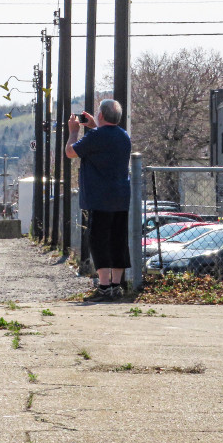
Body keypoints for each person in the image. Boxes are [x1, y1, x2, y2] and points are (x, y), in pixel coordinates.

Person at [65, 99, 132, 302]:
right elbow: (105, 143)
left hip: (99, 198)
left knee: (99, 240)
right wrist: (94, 127)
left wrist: (73, 132)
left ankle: (103, 287)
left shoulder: (95, 137)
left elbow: (70, 152)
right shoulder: (124, 137)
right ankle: (116, 286)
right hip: (121, 197)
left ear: (101, 115)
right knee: (118, 240)